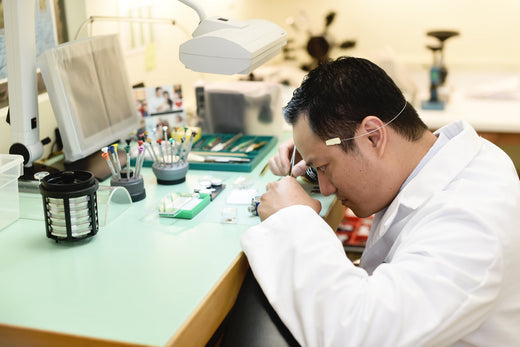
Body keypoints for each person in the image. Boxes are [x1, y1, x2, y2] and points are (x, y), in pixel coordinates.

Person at [240, 56, 520, 346]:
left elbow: (357, 335)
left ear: (373, 137)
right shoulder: (448, 158)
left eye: (323, 168)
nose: (324, 189)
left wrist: (293, 218)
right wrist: (315, 153)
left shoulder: (472, 223)